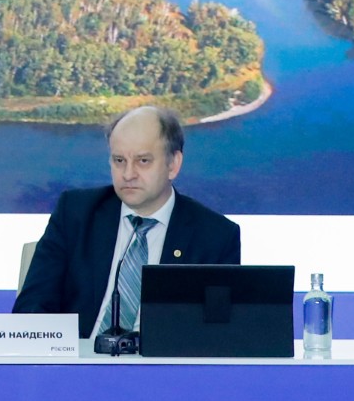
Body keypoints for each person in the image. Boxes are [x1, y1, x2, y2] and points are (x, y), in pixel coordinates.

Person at [14, 104, 241, 338]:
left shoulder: (216, 237)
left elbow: (219, 334)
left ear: (173, 165)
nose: (128, 174)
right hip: (79, 355)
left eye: (143, 161)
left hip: (161, 360)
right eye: (119, 160)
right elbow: (31, 308)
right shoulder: (76, 213)